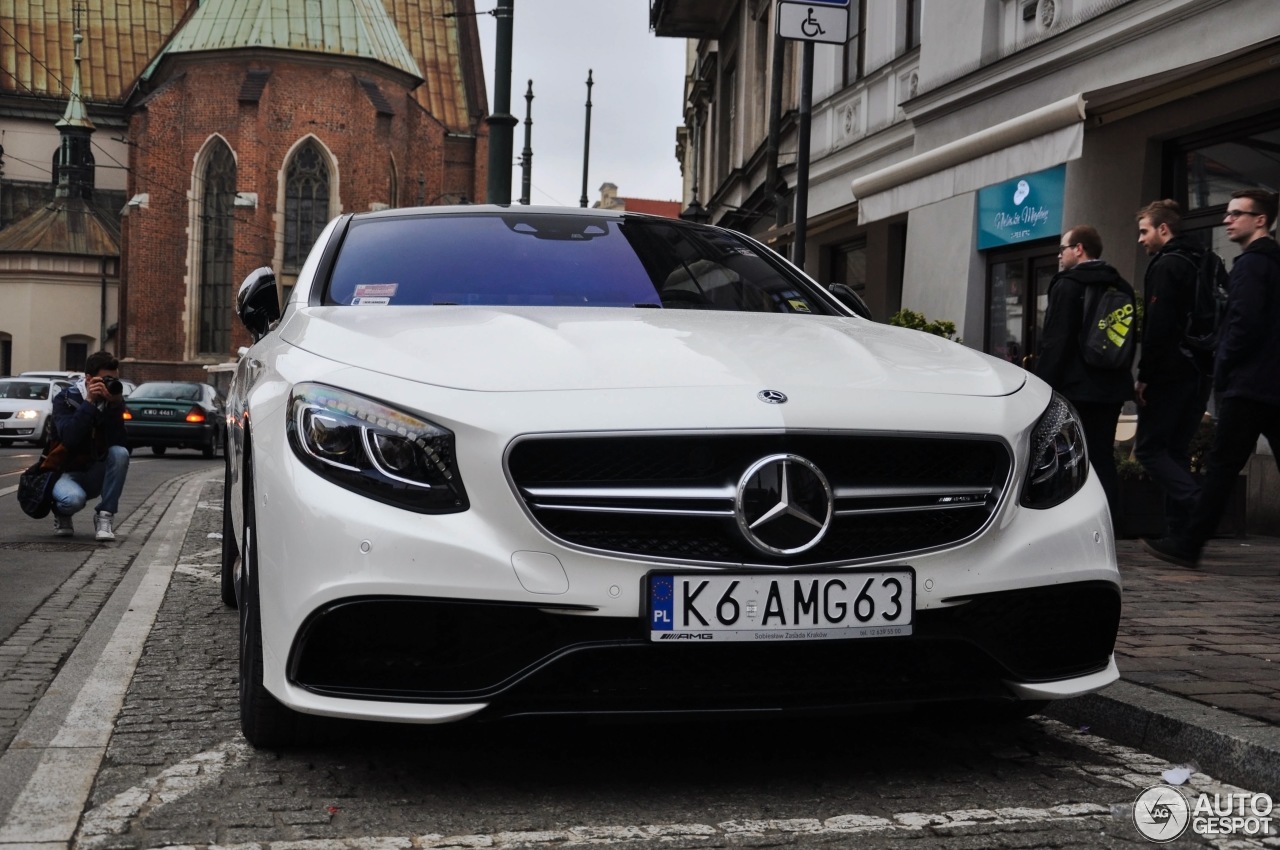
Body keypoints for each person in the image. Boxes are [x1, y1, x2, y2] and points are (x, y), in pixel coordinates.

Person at [1144, 190, 1280, 567]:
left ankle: (1189, 544)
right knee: (1222, 466)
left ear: (1261, 220)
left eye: (1237, 213)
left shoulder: (1253, 264)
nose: (1227, 219)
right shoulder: (1271, 262)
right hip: (1269, 382)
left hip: (1248, 383)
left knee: (1221, 467)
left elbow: (1243, 324)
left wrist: (1223, 366)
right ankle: (1189, 542)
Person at [1035, 225, 1135, 532]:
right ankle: (1111, 522)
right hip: (1111, 387)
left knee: (1065, 457)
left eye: (1063, 248)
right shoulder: (1122, 286)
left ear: (1079, 249)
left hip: (1075, 387)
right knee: (1102, 455)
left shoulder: (1068, 284)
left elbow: (1056, 341)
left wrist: (1042, 385)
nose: (1060, 255)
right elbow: (1127, 340)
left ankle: (1068, 525)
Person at [1132, 199, 1213, 538]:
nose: (1140, 239)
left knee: (1150, 449)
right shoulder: (1204, 260)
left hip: (1171, 371)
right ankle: (1180, 532)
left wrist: (1145, 376)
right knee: (1176, 450)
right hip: (1201, 370)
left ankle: (1199, 505)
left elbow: (1159, 326)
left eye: (1144, 231)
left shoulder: (1167, 265)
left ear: (1163, 229)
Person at [48, 351, 130, 541]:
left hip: (95, 471)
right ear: (89, 379)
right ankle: (62, 513)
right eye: (105, 379)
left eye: (114, 379)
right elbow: (69, 437)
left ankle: (105, 517)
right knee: (72, 500)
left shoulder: (112, 402)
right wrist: (89, 402)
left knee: (120, 453)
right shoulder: (66, 399)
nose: (110, 383)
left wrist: (115, 407)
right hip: (65, 471)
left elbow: (121, 444)